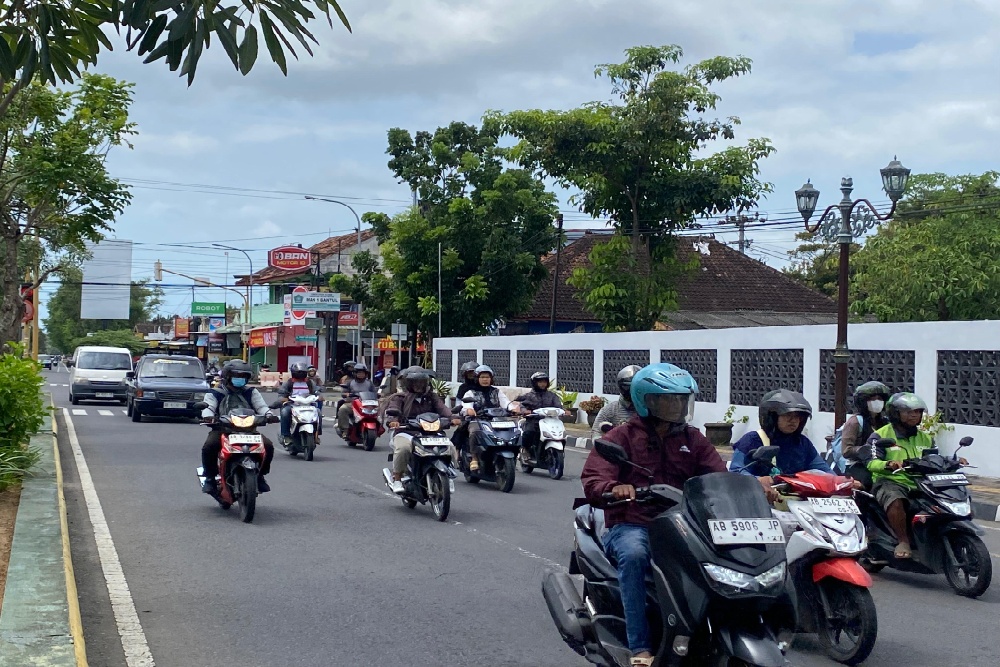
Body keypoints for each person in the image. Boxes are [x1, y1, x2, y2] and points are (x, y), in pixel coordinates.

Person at [581, 363, 727, 666]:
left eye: (680, 400)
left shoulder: (693, 439)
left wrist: (751, 485)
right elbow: (594, 479)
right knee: (634, 556)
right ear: (645, 401)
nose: (676, 406)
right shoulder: (620, 438)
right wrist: (615, 486)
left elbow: (718, 476)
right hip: (634, 522)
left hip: (685, 523)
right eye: (667, 400)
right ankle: (640, 648)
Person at [863, 392, 966, 560]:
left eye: (917, 412)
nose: (914, 415)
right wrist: (888, 464)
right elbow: (871, 462)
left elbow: (934, 459)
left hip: (921, 482)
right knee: (895, 499)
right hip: (891, 481)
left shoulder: (925, 438)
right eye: (908, 412)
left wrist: (953, 461)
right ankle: (903, 541)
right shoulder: (880, 436)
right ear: (895, 413)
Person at [731, 389, 833, 501]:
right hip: (759, 502)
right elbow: (735, 472)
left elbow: (823, 470)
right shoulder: (752, 440)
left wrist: (844, 482)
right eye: (787, 414)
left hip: (797, 504)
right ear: (772, 417)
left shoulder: (802, 443)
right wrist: (757, 480)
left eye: (797, 416)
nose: (793, 420)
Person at [201, 360, 275, 494]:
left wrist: (269, 415)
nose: (240, 379)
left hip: (249, 431)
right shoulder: (215, 392)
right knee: (209, 446)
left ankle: (260, 477)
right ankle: (210, 478)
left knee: (268, 445)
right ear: (227, 376)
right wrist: (208, 416)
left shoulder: (251, 392)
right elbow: (208, 407)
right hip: (223, 430)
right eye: (237, 376)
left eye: (243, 376)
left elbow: (261, 407)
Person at [384, 367, 459, 494]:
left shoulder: (432, 396)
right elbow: (393, 409)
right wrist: (393, 420)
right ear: (408, 383)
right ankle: (397, 478)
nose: (418, 385)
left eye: (421, 382)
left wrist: (452, 417)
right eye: (415, 382)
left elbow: (443, 409)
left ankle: (448, 474)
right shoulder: (399, 397)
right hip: (406, 432)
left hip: (431, 432)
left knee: (449, 446)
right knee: (403, 449)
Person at [460, 365, 513, 472]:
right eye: (482, 377)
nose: (485, 380)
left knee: (512, 430)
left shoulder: (497, 392)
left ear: (491, 379)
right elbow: (466, 405)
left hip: (497, 420)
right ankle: (474, 458)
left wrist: (514, 408)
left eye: (487, 377)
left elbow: (506, 403)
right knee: (474, 431)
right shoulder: (471, 392)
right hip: (478, 420)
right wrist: (469, 410)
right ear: (477, 378)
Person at [514, 371, 563, 456]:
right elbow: (522, 405)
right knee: (529, 432)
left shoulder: (552, 395)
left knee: (560, 433)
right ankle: (525, 450)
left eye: (544, 382)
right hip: (533, 420)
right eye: (540, 382)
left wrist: (563, 411)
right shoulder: (529, 395)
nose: (542, 384)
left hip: (549, 421)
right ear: (534, 383)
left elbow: (558, 406)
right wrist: (525, 411)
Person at [591, 365, 641, 439]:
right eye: (629, 387)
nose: (632, 391)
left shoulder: (650, 410)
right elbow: (596, 433)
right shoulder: (610, 410)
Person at [277, 362, 320, 447]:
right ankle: (286, 436)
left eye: (302, 373)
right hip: (292, 405)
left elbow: (316, 392)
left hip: (308, 405)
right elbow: (281, 394)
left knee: (318, 412)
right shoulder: (289, 383)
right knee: (285, 412)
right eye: (298, 373)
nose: (300, 375)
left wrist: (319, 396)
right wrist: (284, 398)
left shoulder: (310, 383)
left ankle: (316, 435)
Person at [337, 362, 377, 436]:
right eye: (358, 373)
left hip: (367, 403)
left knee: (379, 410)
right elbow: (344, 392)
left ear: (365, 374)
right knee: (343, 409)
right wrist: (347, 394)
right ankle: (345, 429)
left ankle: (378, 427)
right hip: (353, 403)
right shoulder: (350, 382)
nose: (360, 375)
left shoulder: (369, 383)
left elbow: (374, 392)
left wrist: (378, 394)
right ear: (355, 374)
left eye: (362, 373)